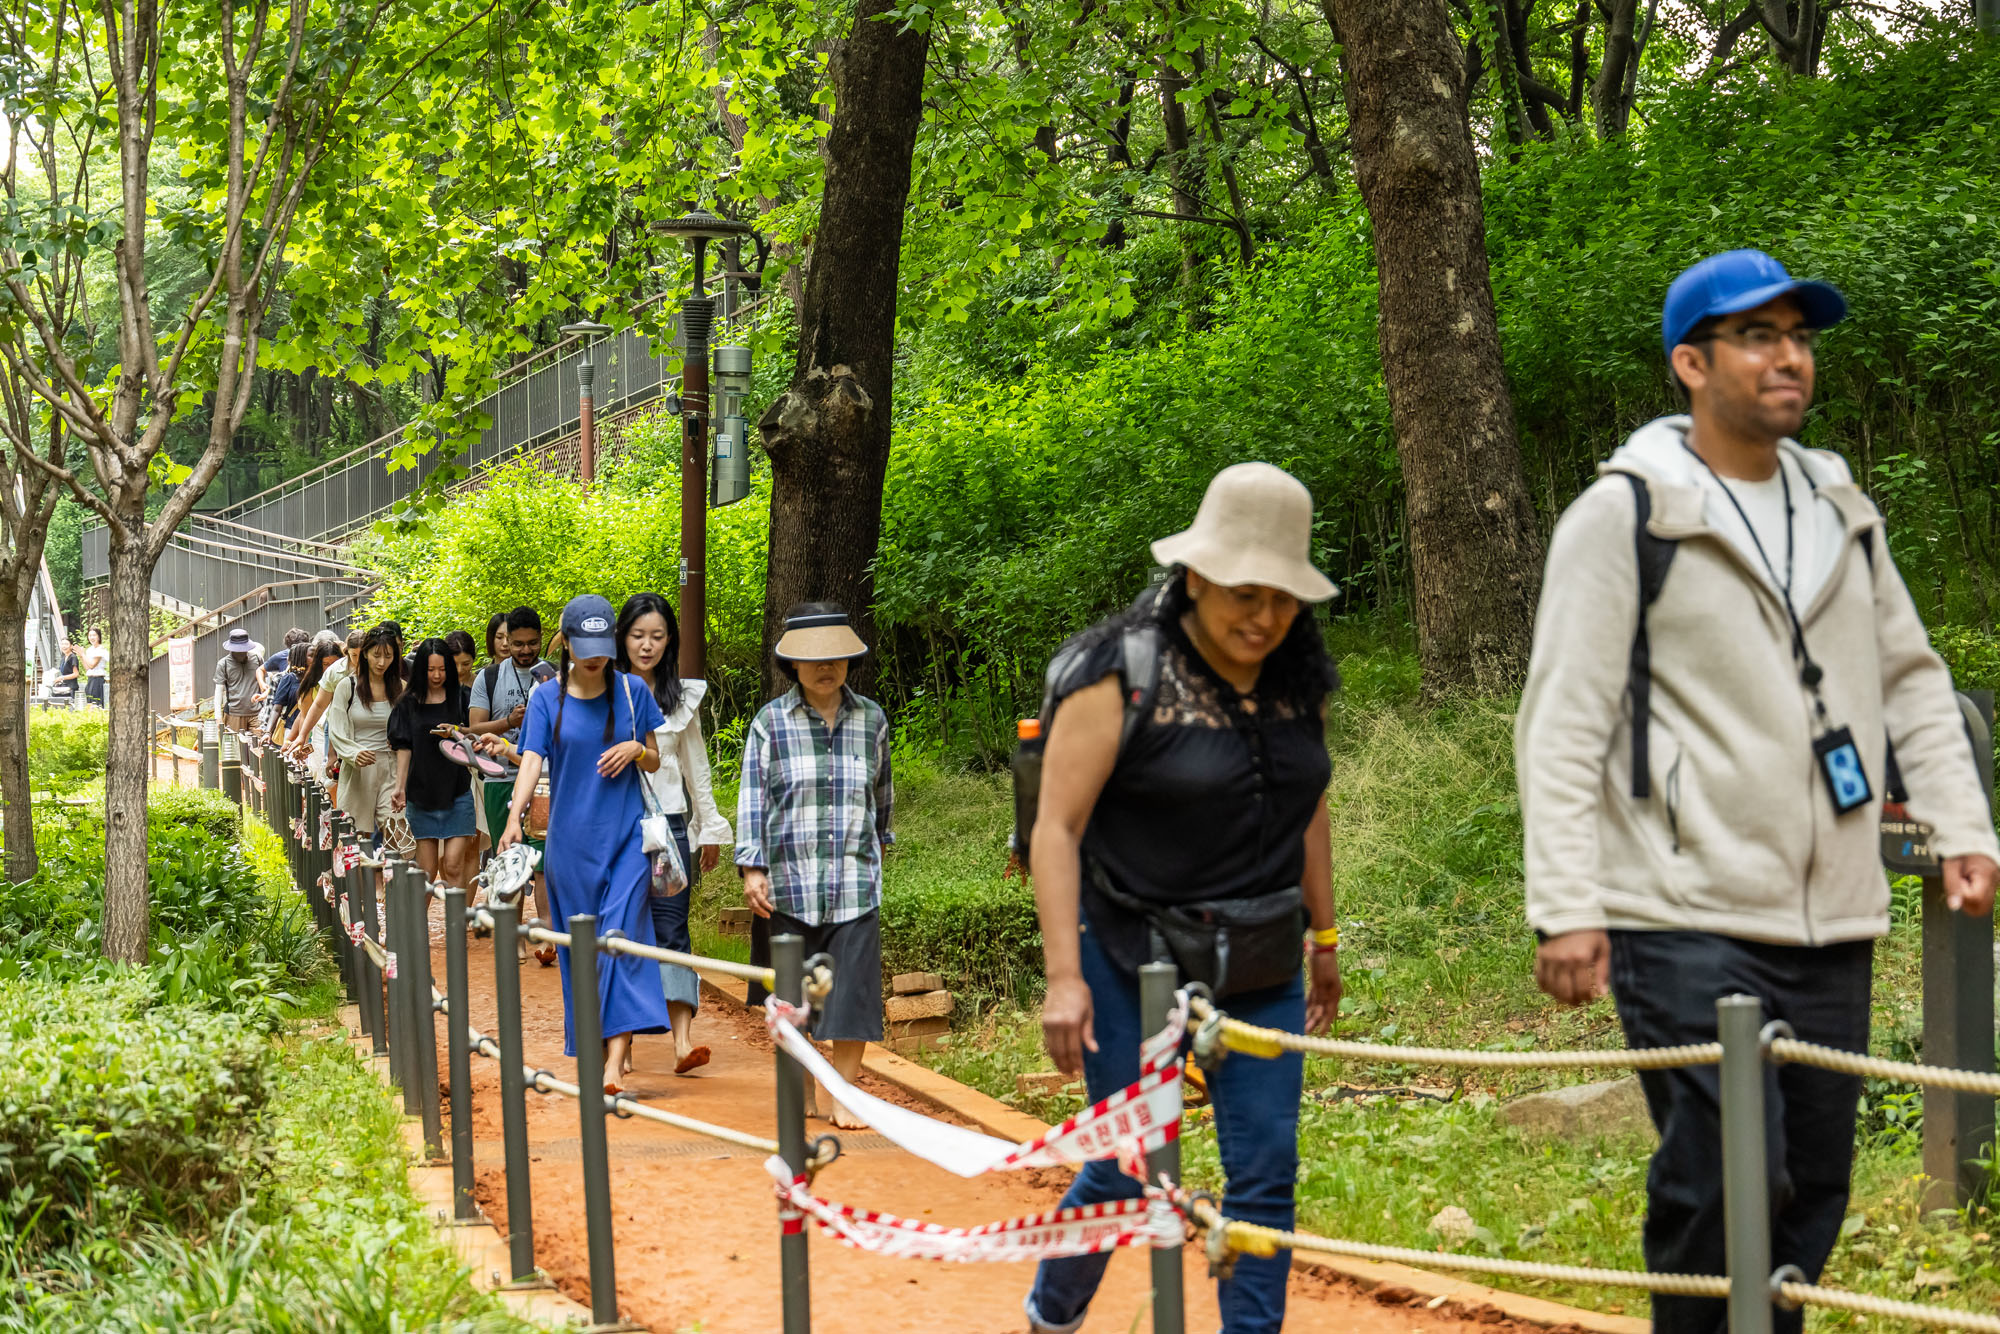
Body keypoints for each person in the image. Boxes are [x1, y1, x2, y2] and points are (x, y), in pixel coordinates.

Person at [1515, 249, 2000, 1334]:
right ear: (1690, 363)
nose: (1788, 357)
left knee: (1810, 1188)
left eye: (1799, 337)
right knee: (1727, 1175)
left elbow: (1911, 680)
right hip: (1678, 906)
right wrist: (1567, 902)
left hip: (1832, 910)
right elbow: (1562, 720)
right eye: (1757, 336)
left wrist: (1962, 824)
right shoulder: (1624, 515)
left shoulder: (1838, 507)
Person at [1021, 463, 1342, 1334]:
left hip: (1262, 953)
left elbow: (1310, 808)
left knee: (1266, 1172)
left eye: (1283, 598)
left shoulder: (1298, 678)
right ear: (1196, 576)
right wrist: (1064, 977)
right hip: (1128, 947)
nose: (1264, 617)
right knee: (1128, 1156)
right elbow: (1057, 829)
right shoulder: (1118, 674)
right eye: (1245, 593)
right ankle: (1052, 1314)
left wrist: (1325, 937)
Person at [497, 595, 669, 1095]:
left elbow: (656, 758)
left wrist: (636, 748)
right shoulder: (547, 698)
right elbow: (531, 760)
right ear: (567, 643)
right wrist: (513, 818)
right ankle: (598, 1050)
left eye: (602, 648)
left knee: (621, 939)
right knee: (583, 952)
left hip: (627, 839)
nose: (595, 659)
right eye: (585, 648)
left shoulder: (633, 691)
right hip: (570, 846)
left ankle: (614, 1063)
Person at [735, 603, 894, 1130]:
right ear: (793, 664)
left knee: (852, 995)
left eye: (837, 658)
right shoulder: (770, 723)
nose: (827, 668)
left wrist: (880, 847)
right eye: (815, 659)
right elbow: (753, 800)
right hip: (788, 883)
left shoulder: (872, 720)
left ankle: (844, 1094)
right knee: (792, 997)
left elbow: (882, 798)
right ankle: (804, 1085)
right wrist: (752, 868)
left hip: (854, 881)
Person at [617, 592, 733, 1076]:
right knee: (620, 930)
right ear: (622, 638)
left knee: (672, 929)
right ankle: (619, 1049)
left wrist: (709, 828)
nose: (647, 646)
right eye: (638, 635)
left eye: (657, 636)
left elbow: (695, 767)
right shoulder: (603, 690)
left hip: (670, 828)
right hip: (617, 830)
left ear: (670, 641)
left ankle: (682, 1042)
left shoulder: (681, 698)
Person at [471, 606, 558, 958]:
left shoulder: (554, 677)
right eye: (518, 643)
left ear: (541, 638)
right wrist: (508, 722)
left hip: (545, 780)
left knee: (544, 863)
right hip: (500, 777)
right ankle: (515, 938)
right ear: (506, 640)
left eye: (532, 643)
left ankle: (547, 936)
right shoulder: (489, 677)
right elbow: (474, 727)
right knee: (510, 858)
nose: (525, 650)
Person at [389, 636, 477, 889]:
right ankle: (418, 917)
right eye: (430, 670)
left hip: (458, 791)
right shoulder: (408, 703)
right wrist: (400, 787)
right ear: (420, 670)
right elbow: (403, 747)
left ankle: (456, 915)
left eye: (442, 669)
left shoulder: (462, 697)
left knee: (453, 864)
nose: (437, 675)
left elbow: (476, 734)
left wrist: (459, 733)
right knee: (425, 870)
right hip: (421, 793)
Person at [327, 625, 404, 846]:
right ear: (365, 654)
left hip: (391, 767)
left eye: (388, 656)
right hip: (357, 769)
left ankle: (393, 870)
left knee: (397, 835)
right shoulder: (347, 686)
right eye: (376, 655)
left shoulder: (401, 689)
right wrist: (353, 753)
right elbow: (336, 728)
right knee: (354, 836)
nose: (382, 662)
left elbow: (410, 730)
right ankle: (358, 871)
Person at [214, 627, 261, 730]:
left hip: (257, 713)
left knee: (259, 740)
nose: (241, 652)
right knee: (236, 740)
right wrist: (218, 717)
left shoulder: (257, 659)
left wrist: (266, 708)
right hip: (234, 714)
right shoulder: (223, 664)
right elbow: (218, 690)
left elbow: (264, 684)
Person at [265, 644, 310, 739]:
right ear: (301, 658)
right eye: (311, 655)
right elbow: (276, 709)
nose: (316, 658)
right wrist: (268, 732)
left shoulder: (320, 679)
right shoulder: (289, 678)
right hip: (292, 730)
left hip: (315, 730)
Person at [80, 628, 108, 709]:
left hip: (98, 679)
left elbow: (92, 665)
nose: (92, 637)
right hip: (90, 679)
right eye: (90, 635)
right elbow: (87, 668)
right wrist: (81, 656)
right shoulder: (89, 650)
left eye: (94, 635)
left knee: (96, 704)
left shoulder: (100, 649)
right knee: (89, 703)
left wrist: (83, 654)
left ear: (98, 637)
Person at [55, 639, 80, 708]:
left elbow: (76, 674)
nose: (64, 646)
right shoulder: (63, 658)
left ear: (71, 646)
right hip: (64, 687)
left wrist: (62, 678)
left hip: (71, 688)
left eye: (66, 644)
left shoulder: (73, 657)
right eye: (62, 644)